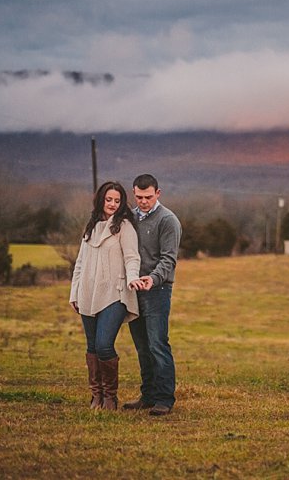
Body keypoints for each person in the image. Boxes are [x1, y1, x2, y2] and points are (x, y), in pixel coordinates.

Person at [69, 181, 146, 410]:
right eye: (108, 199)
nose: (112, 204)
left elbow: (132, 257)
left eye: (117, 200)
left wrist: (133, 277)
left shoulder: (124, 226)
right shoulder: (91, 226)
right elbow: (80, 263)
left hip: (115, 293)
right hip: (87, 293)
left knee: (104, 345)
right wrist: (74, 292)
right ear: (101, 199)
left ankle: (111, 397)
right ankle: (97, 397)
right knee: (92, 346)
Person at [123, 174, 182, 415]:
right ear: (133, 193)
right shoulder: (130, 218)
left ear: (158, 193)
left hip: (157, 290)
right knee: (142, 346)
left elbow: (169, 258)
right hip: (134, 289)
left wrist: (153, 278)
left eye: (148, 197)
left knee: (158, 344)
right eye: (139, 197)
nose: (143, 201)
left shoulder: (168, 220)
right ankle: (147, 395)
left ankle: (164, 399)